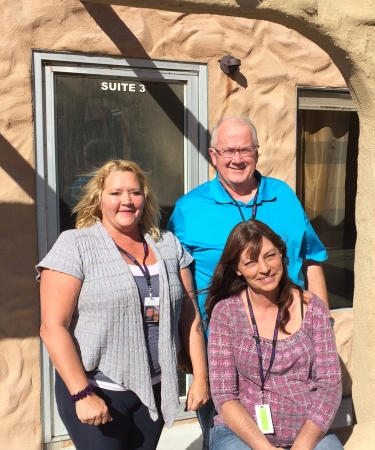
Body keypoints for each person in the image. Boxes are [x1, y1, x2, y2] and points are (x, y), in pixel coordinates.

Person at [167, 115, 330, 448]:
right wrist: (188, 350)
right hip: (224, 350)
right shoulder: (189, 209)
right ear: (213, 155)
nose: (236, 159)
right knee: (230, 435)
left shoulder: (283, 196)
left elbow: (311, 258)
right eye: (227, 150)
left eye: (244, 149)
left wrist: (322, 322)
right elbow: (177, 284)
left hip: (291, 345)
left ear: (257, 152)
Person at [37, 160, 209, 450]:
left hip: (153, 390)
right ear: (99, 198)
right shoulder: (75, 245)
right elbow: (52, 327)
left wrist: (201, 377)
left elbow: (190, 318)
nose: (126, 201)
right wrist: (82, 394)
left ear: (145, 198)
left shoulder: (168, 245)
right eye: (116, 193)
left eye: (135, 192)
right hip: (98, 389)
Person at [205, 220, 343, 450]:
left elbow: (330, 386)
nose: (264, 269)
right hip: (242, 434)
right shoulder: (226, 314)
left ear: (281, 254)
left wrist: (302, 446)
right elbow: (224, 394)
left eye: (270, 256)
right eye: (251, 262)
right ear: (238, 269)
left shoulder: (312, 308)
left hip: (306, 432)